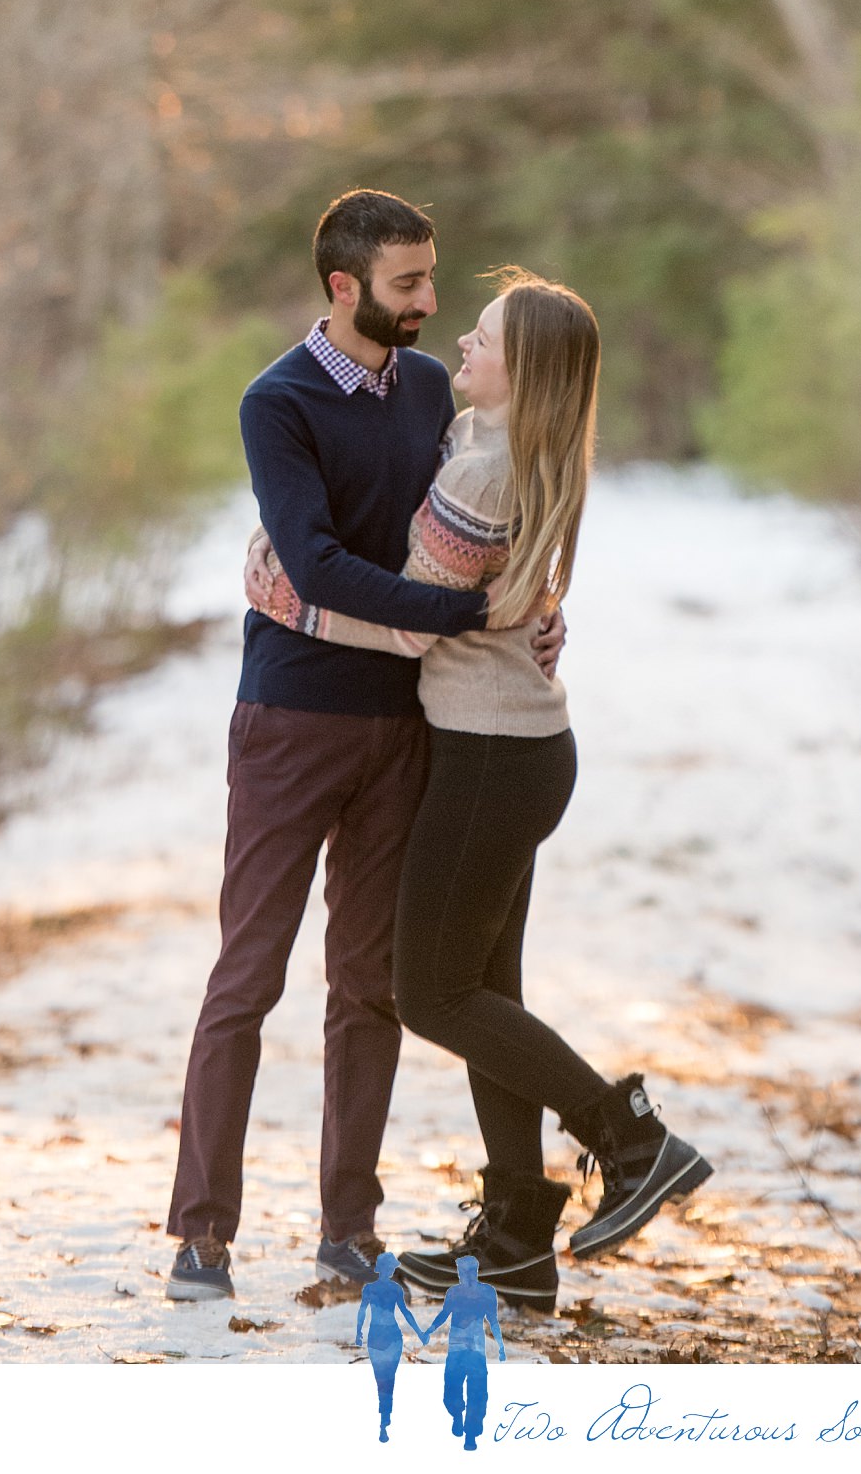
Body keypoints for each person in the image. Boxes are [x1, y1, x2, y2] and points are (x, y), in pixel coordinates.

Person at [245, 270, 713, 1317]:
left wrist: (290, 596)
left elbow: (419, 619)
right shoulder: (496, 444)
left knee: (432, 993)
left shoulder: (487, 468)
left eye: (487, 334)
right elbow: (487, 602)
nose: (462, 335)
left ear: (526, 369)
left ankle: (631, 1137)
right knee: (483, 992)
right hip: (510, 748)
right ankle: (512, 1238)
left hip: (491, 757)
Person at [164, 191, 565, 1304]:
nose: (430, 302)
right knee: (247, 973)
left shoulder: (436, 387)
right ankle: (200, 1229)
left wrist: (529, 599)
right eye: (407, 284)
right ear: (344, 287)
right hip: (291, 717)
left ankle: (348, 1223)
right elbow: (315, 559)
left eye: (432, 279)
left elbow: (478, 524)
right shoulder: (277, 401)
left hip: (408, 719)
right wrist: (464, 615)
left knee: (366, 987)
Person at [417, 1254, 503, 1452]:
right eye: (459, 1272)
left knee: (478, 1393)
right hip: (456, 1348)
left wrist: (500, 1345)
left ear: (474, 1271)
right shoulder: (453, 1293)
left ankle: (471, 1434)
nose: (462, 1275)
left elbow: (493, 1321)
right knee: (451, 1391)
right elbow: (444, 1315)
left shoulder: (487, 1293)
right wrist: (429, 1330)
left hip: (476, 1351)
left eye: (464, 1272)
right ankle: (457, 1415)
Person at [355, 1249, 425, 1442]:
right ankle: (381, 1420)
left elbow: (405, 1312)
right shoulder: (370, 1289)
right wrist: (358, 1331)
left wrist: (419, 1332)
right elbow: (362, 1312)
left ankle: (386, 1422)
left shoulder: (395, 1289)